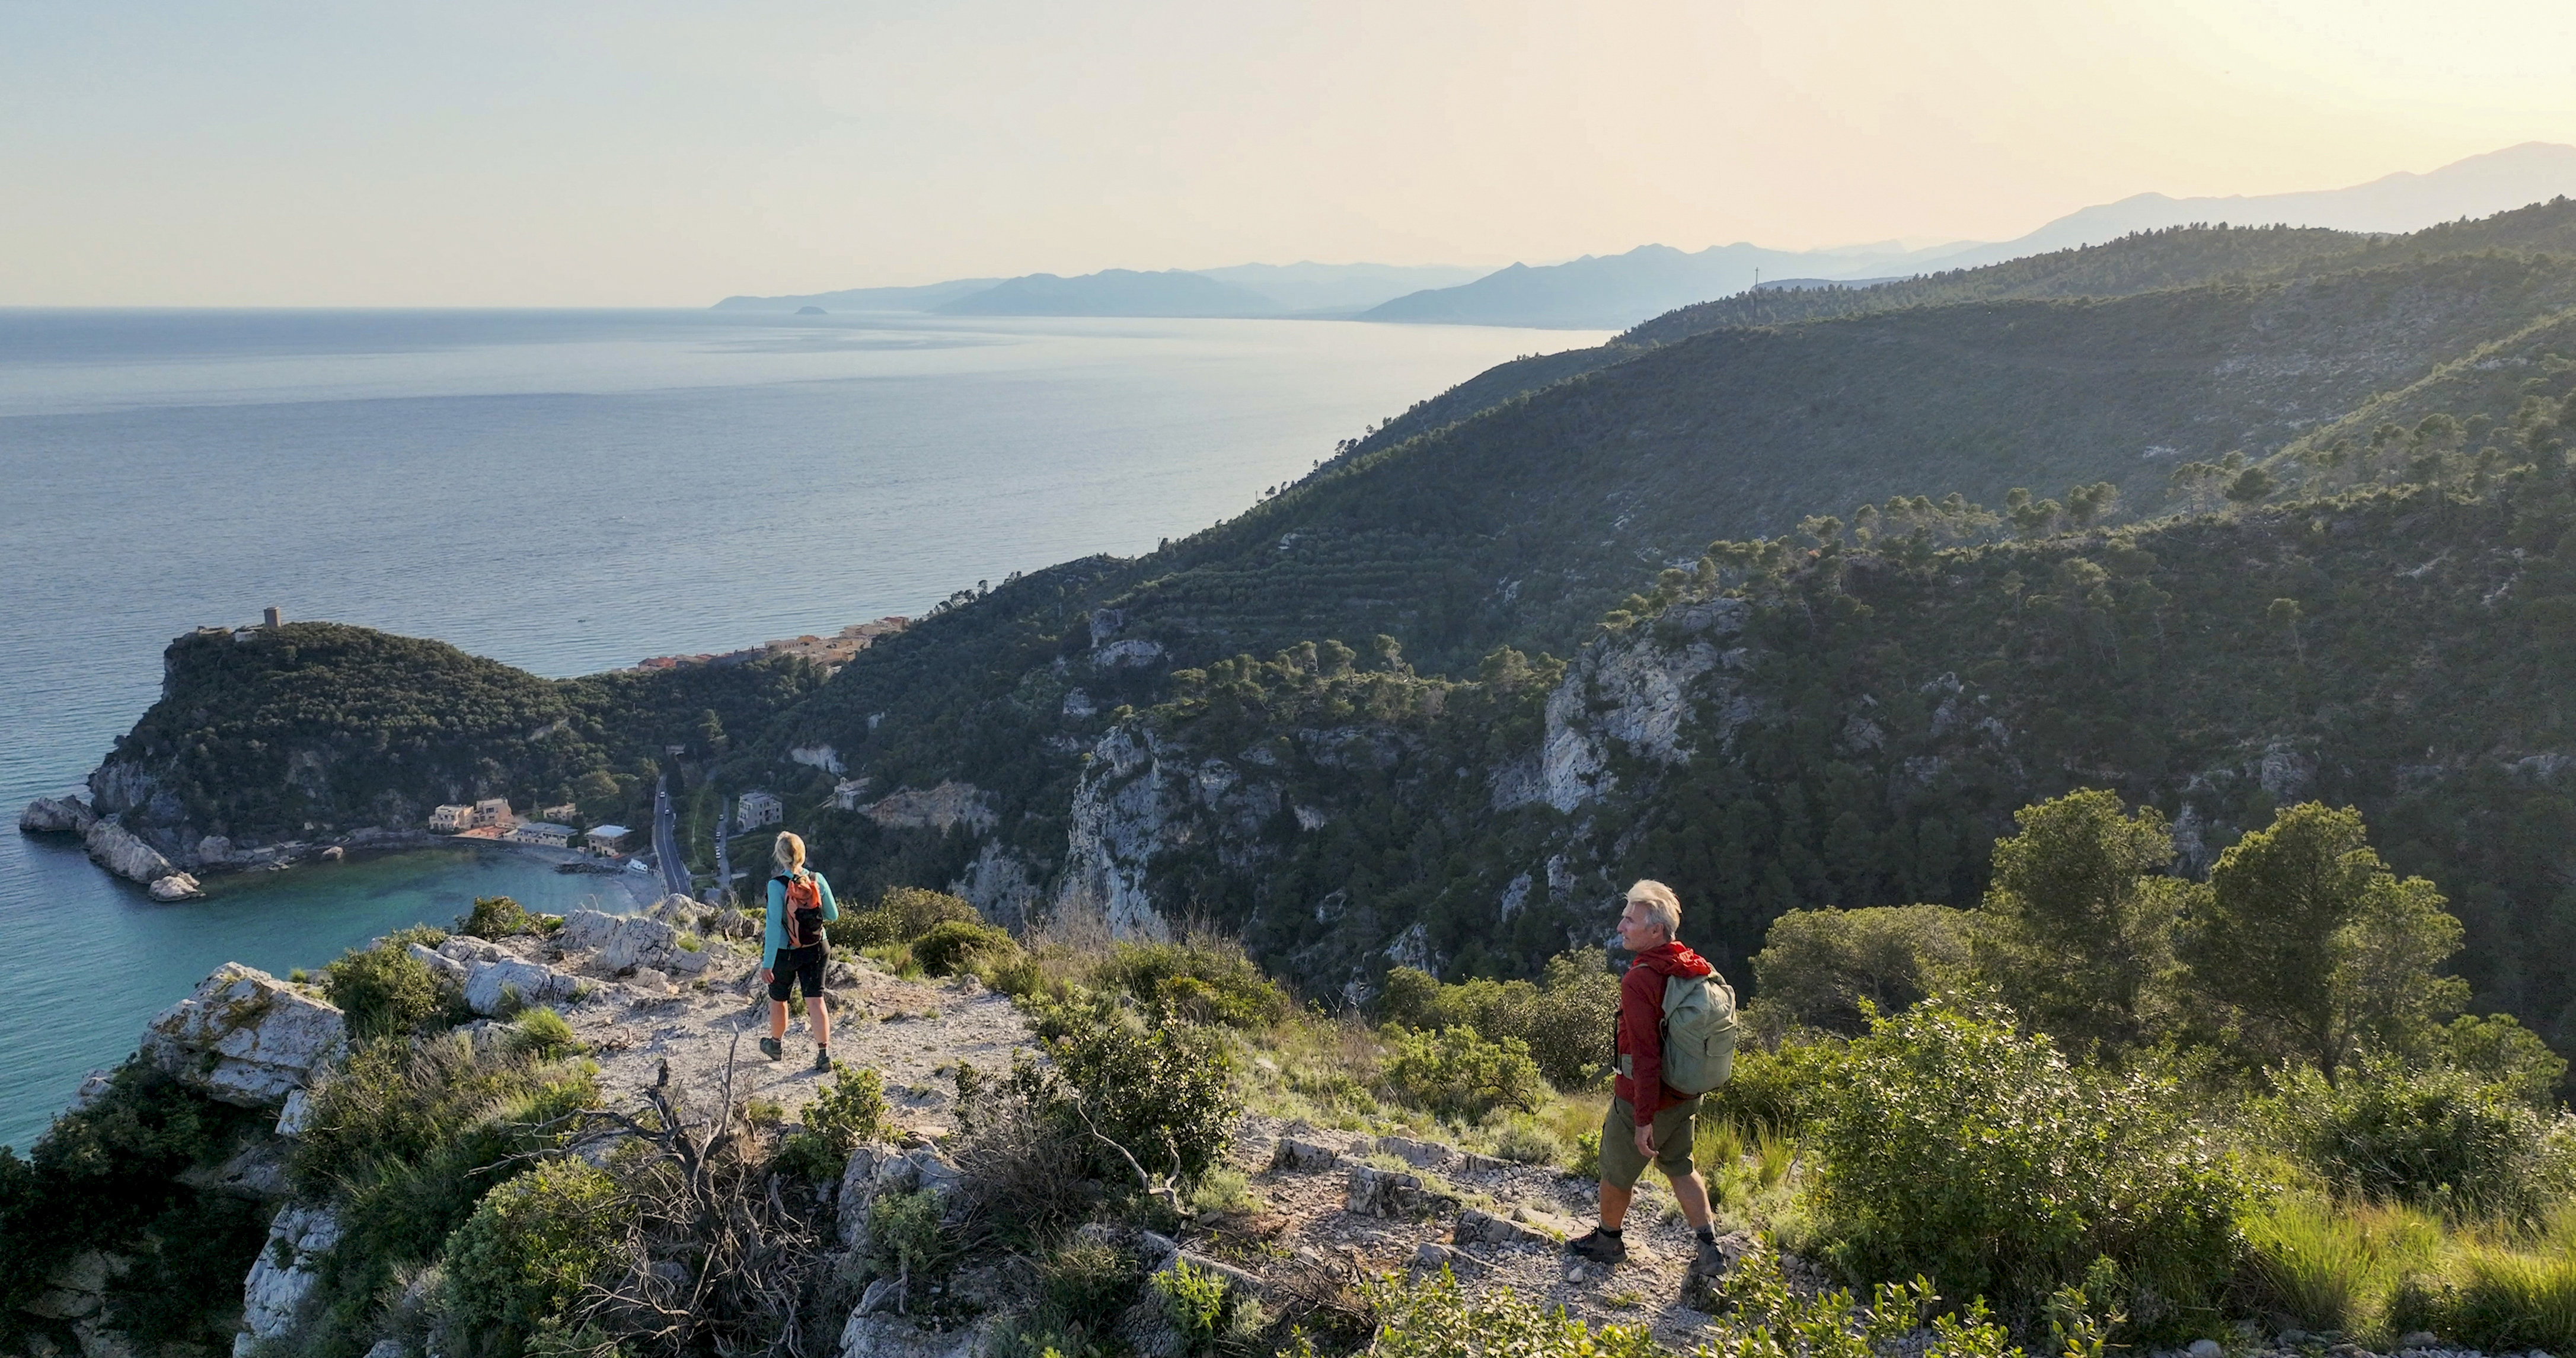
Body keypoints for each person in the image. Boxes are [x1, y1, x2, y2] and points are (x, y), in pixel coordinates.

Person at [1567, 879, 1721, 1265]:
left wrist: (1642, 1118)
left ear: (1654, 930)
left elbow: (1646, 1054)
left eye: (1629, 920)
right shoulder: (1691, 964)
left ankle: (1608, 1240)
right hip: (1685, 1090)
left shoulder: (1640, 979)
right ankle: (1709, 1247)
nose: (1620, 927)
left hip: (1643, 1095)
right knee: (1679, 1166)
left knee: (1615, 1172)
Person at [758, 831, 841, 1069]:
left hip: (785, 951)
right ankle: (824, 1055)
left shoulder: (776, 886)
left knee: (779, 999)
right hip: (817, 947)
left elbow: (774, 925)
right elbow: (833, 916)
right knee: (816, 1000)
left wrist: (767, 963)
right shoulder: (817, 879)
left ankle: (775, 1045)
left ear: (780, 857)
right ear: (803, 854)